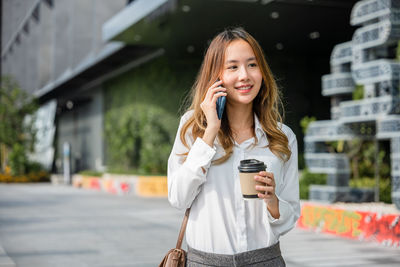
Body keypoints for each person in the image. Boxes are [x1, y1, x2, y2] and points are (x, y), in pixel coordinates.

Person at [167, 27, 300, 267]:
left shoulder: (282, 137)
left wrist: (273, 202)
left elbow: (290, 216)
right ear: (216, 75)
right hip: (205, 262)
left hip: (265, 260)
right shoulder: (192, 127)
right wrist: (210, 133)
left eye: (252, 64)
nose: (244, 75)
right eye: (232, 67)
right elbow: (178, 197)